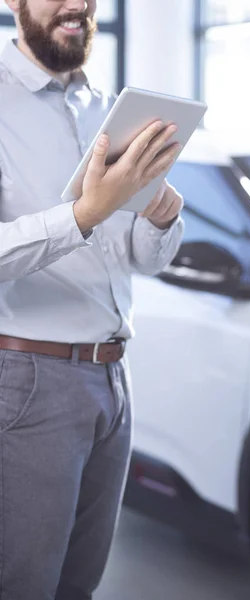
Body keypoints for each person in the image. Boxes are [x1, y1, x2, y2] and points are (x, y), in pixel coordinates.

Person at [0, 0, 184, 598]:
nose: (78, 4)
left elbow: (138, 256)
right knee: (25, 584)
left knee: (80, 583)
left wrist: (162, 219)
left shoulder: (109, 108)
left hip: (113, 382)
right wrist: (85, 213)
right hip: (29, 383)